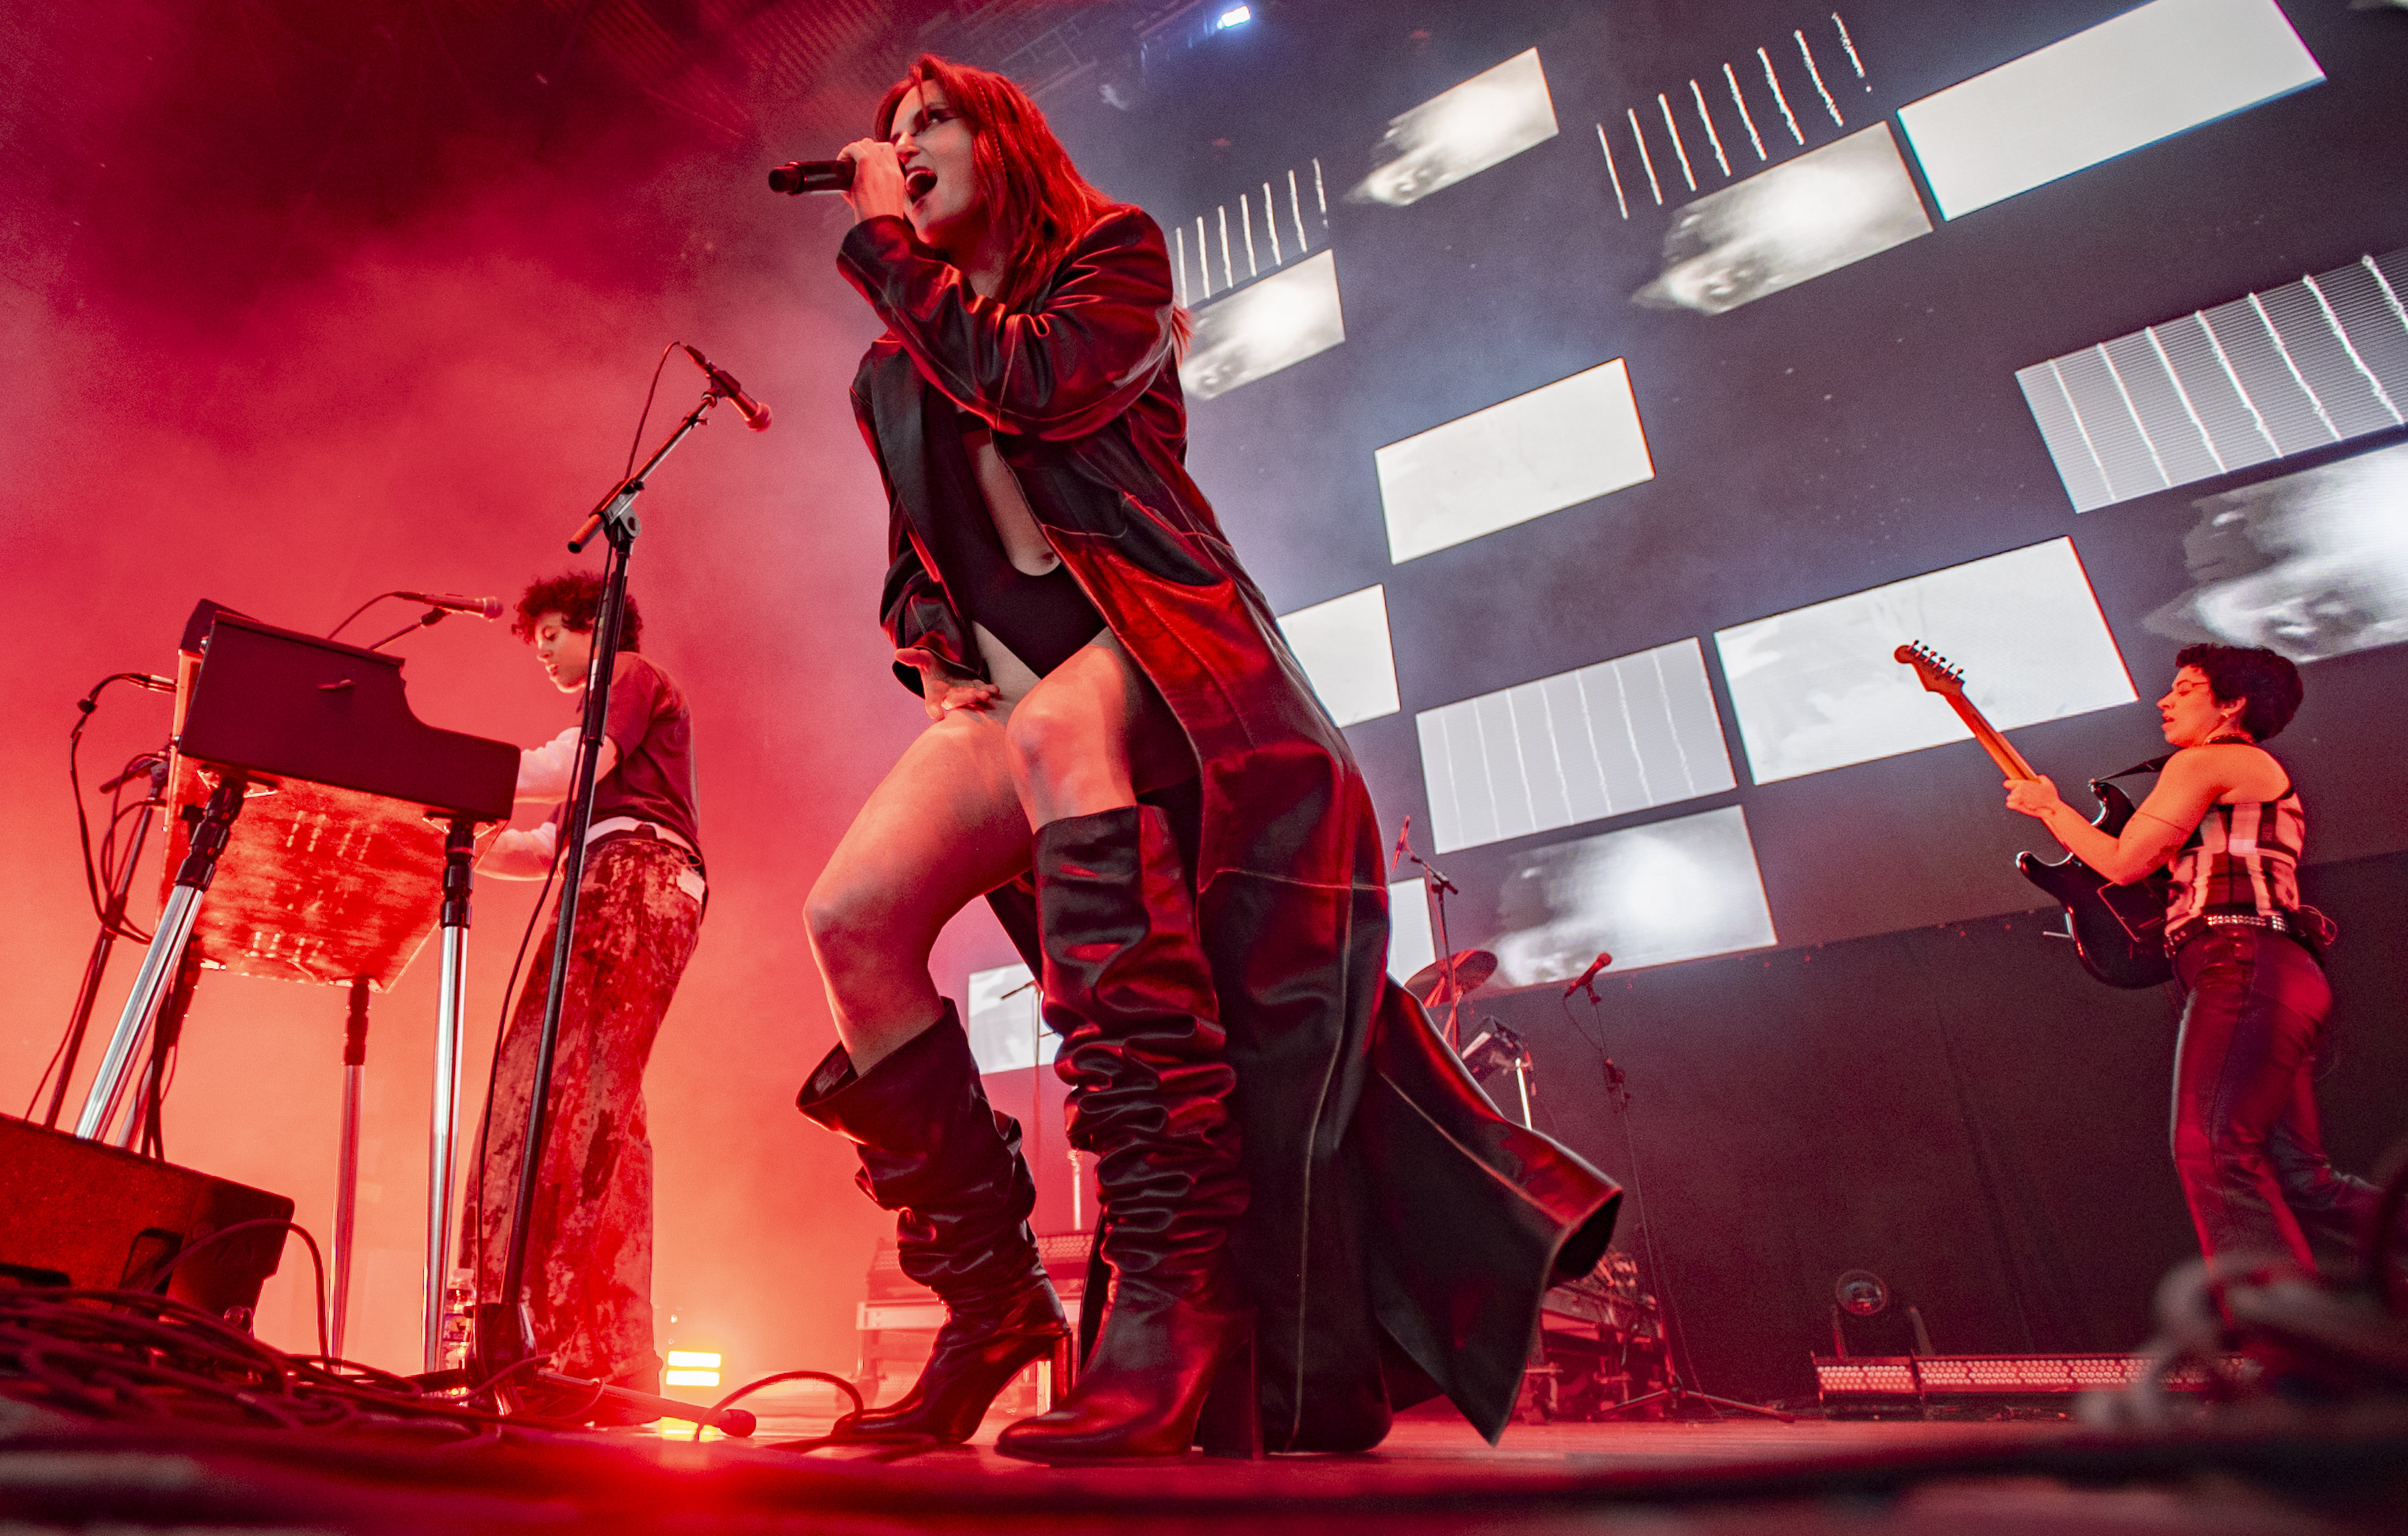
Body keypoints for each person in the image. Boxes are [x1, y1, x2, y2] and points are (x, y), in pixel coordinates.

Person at [795, 54, 1618, 1464]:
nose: (904, 145)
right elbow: (917, 552)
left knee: (1059, 726)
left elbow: (1035, 387)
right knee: (850, 919)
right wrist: (927, 648)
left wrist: (880, 246)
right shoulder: (890, 369)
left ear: (1003, 143)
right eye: (891, 132)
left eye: (931, 121)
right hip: (1013, 693)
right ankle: (991, 1306)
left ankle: (1178, 1292)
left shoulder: (1111, 264)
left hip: (1165, 652)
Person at [2005, 644, 2378, 1276]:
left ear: (2231, 705)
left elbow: (2126, 862)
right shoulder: (2243, 771)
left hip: (2243, 963)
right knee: (2303, 1181)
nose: (2165, 700)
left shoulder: (2207, 760)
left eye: (2185, 689)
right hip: (2274, 970)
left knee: (2212, 1154)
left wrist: (2049, 808)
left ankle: (2278, 1331)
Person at [470, 573, 706, 1422]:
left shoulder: (631, 675)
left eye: (550, 634)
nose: (540, 651)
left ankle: (566, 1349)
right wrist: (449, 834)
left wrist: (455, 773)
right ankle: (612, 1358)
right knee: (597, 1109)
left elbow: (572, 761)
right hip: (614, 876)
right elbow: (542, 849)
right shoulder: (605, 750)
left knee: (563, 1100)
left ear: (593, 625)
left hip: (637, 877)